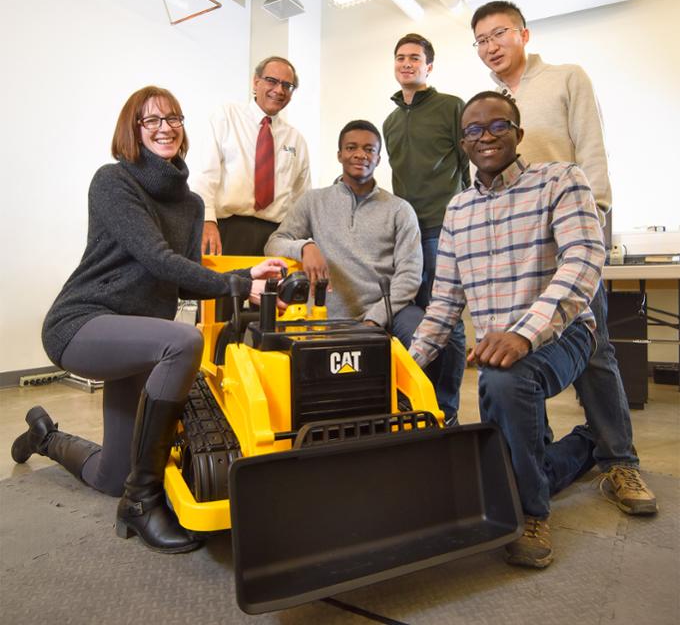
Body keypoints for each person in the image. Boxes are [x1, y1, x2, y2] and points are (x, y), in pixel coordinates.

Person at [11, 86, 285, 554]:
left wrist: (246, 275)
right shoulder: (114, 181)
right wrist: (239, 286)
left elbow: (180, 282)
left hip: (139, 340)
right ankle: (141, 504)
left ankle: (46, 436)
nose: (164, 128)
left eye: (173, 118)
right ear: (132, 131)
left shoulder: (193, 205)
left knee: (110, 475)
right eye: (151, 120)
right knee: (182, 341)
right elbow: (157, 259)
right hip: (83, 322)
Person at [470, 0, 657, 515]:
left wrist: (591, 223)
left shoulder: (566, 78)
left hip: (570, 232)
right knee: (518, 349)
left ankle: (619, 461)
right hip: (517, 245)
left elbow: (592, 150)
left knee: (594, 350)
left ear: (523, 34)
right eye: (481, 39)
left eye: (499, 33)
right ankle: (543, 453)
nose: (491, 45)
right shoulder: (489, 102)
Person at [410, 91, 605, 568]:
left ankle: (529, 513)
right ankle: (583, 447)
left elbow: (584, 261)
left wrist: (524, 334)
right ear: (463, 143)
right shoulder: (458, 211)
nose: (486, 136)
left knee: (501, 380)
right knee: (512, 455)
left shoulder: (561, 180)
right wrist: (403, 368)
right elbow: (444, 306)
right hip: (499, 349)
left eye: (498, 126)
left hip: (564, 335)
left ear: (519, 133)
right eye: (474, 130)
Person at [264, 120, 453, 400]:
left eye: (369, 149)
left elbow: (410, 276)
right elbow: (273, 244)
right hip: (322, 316)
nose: (360, 154)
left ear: (378, 158)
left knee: (424, 330)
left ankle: (419, 408)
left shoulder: (400, 210)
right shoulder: (312, 202)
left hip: (385, 314)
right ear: (339, 154)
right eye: (351, 148)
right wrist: (306, 247)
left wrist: (374, 320)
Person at [382, 33, 470, 422]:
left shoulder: (452, 107)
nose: (406, 64)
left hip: (443, 229)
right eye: (400, 58)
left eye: (414, 58)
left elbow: (468, 167)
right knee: (413, 319)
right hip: (405, 235)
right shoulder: (389, 120)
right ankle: (420, 403)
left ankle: (446, 409)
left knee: (446, 319)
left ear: (428, 66)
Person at [192, 56, 311, 258]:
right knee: (225, 289)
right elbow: (205, 175)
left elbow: (302, 198)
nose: (279, 90)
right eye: (272, 81)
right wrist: (207, 220)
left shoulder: (296, 139)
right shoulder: (226, 116)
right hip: (227, 230)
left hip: (276, 238)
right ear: (256, 82)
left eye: (287, 85)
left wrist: (303, 243)